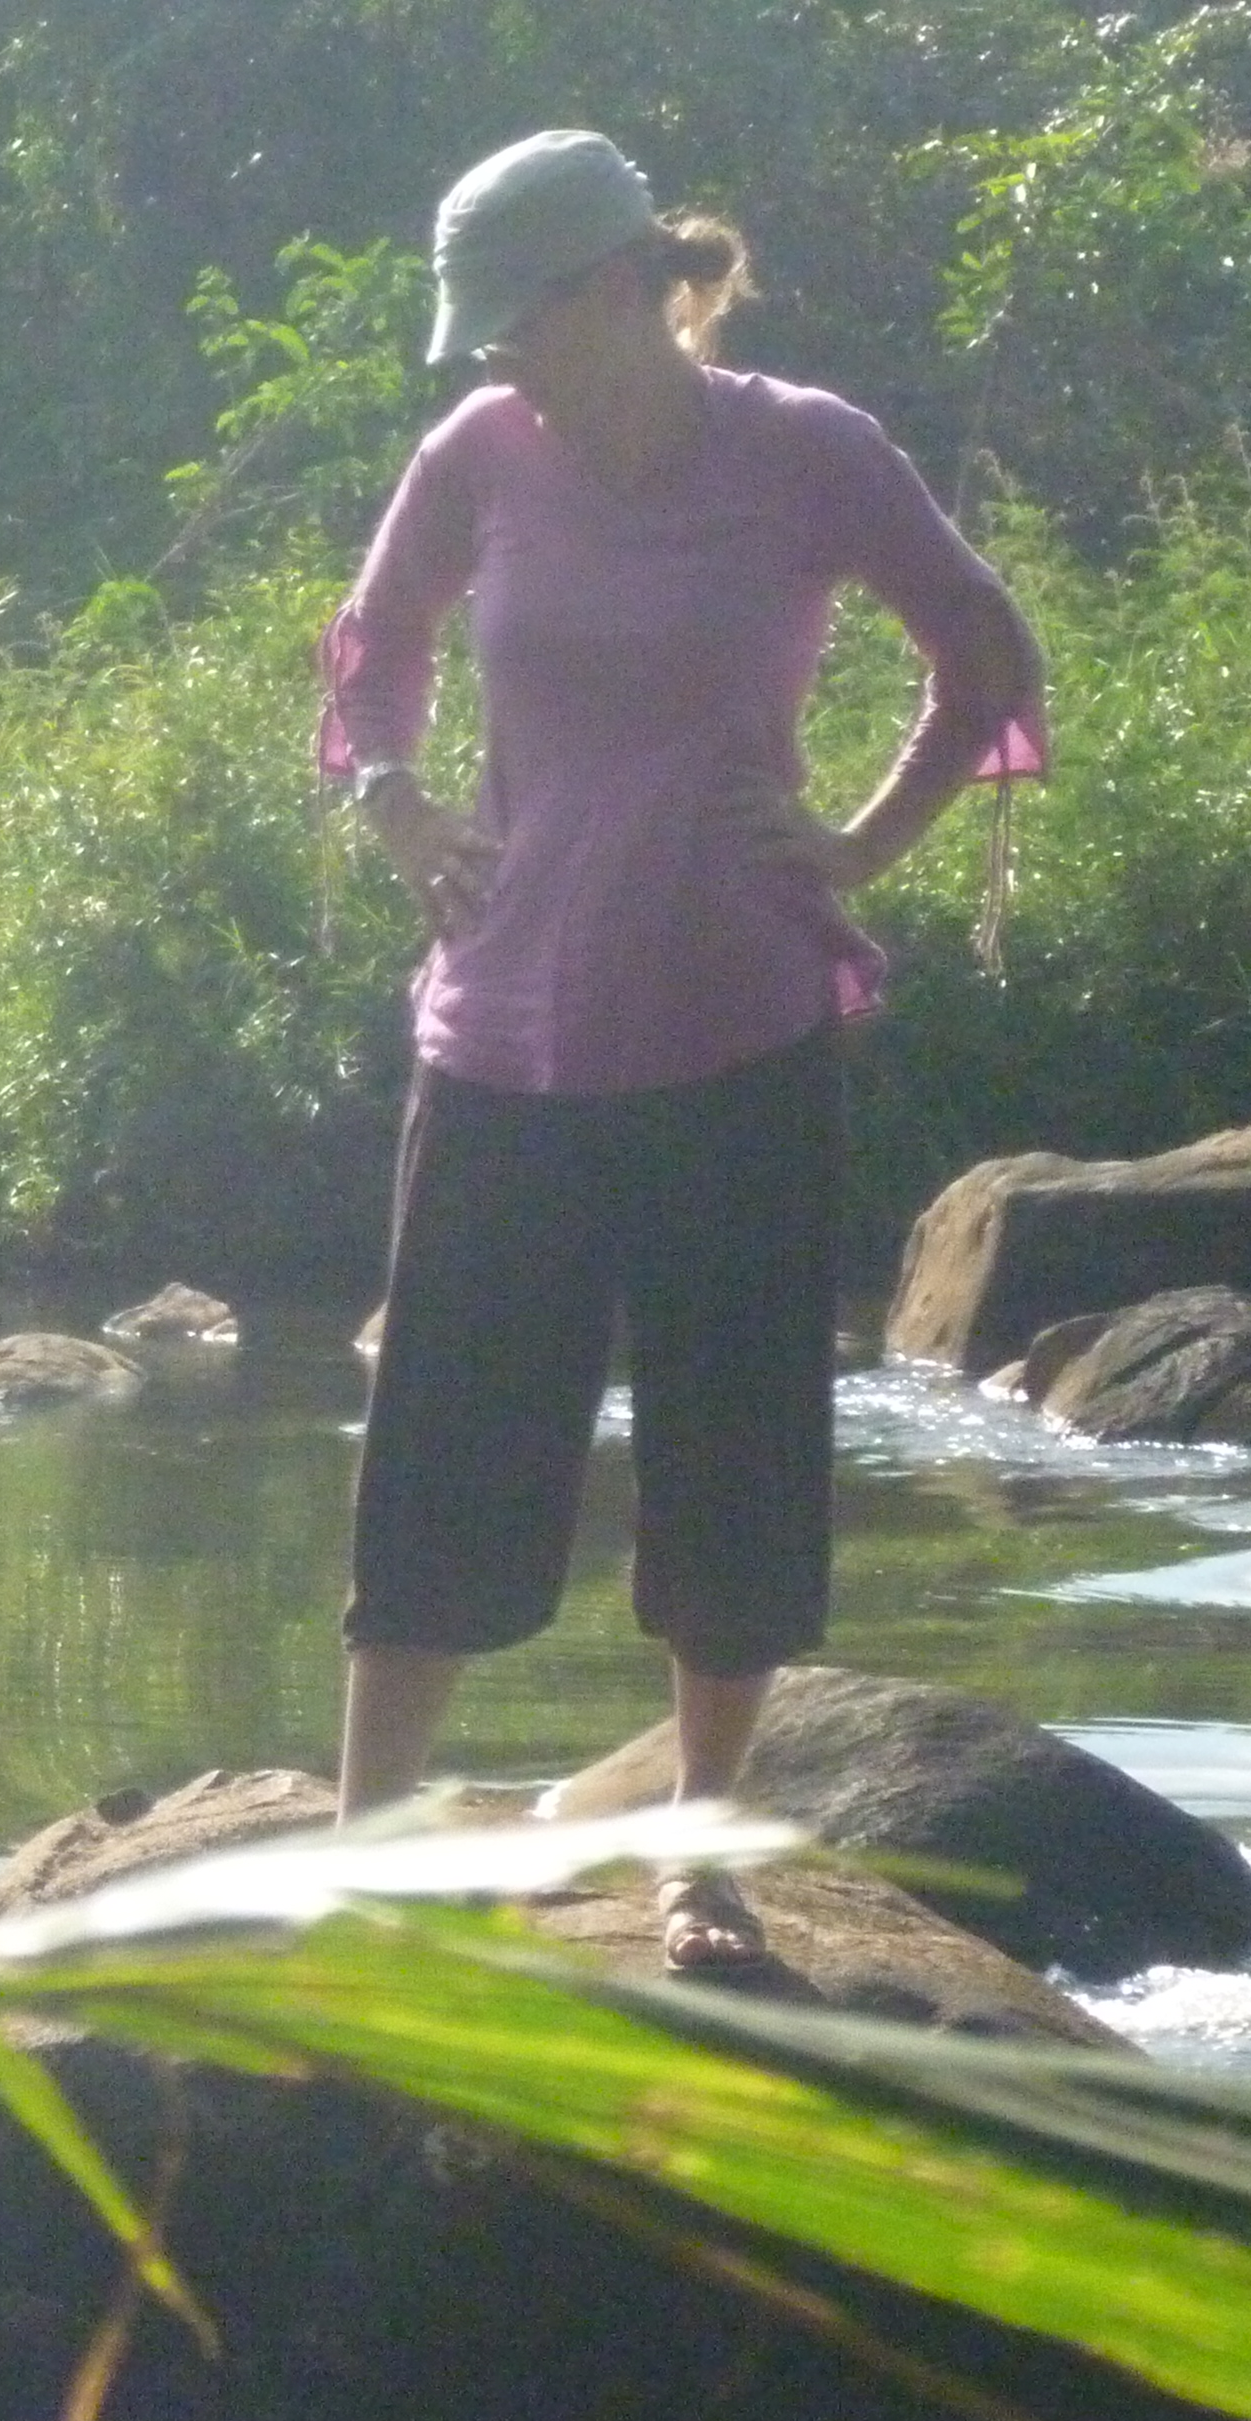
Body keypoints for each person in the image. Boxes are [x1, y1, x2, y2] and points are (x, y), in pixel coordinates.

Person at [319, 132, 1043, 1966]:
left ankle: (698, 1864)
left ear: (623, 291)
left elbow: (984, 650)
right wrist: (399, 801)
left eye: (515, 323)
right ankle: (354, 1856)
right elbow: (375, 645)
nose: (492, 362)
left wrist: (862, 846)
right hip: (502, 1034)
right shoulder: (477, 456)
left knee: (733, 1458)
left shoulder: (808, 451)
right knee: (442, 1456)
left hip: (737, 1030)